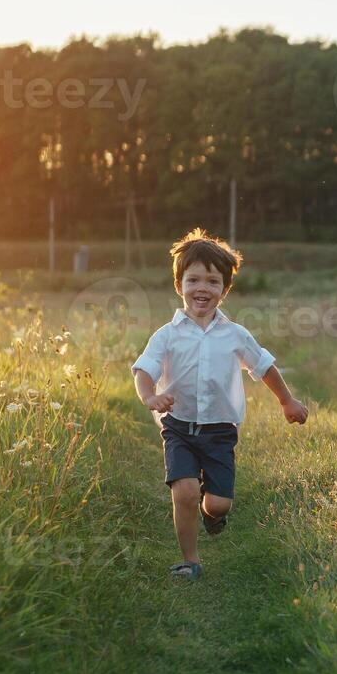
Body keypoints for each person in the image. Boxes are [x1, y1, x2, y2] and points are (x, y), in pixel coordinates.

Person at [131, 228, 308, 579]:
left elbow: (264, 367)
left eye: (212, 282)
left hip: (220, 431)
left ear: (224, 290)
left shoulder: (235, 334)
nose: (202, 289)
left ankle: (213, 514)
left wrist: (287, 400)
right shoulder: (166, 335)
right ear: (179, 284)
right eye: (193, 279)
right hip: (178, 425)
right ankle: (190, 561)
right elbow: (144, 370)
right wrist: (149, 396)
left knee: (218, 503)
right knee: (184, 491)